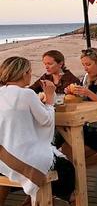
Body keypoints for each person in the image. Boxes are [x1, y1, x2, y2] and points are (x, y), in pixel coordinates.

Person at [0, 57, 75, 205]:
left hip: (2, 158)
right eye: (30, 72)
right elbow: (46, 120)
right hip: (22, 159)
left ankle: (33, 200)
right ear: (24, 73)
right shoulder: (26, 94)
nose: (30, 75)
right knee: (67, 169)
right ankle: (70, 198)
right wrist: (50, 97)